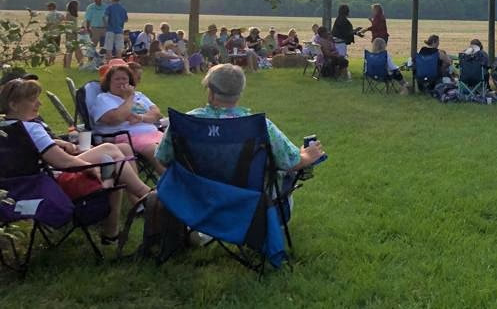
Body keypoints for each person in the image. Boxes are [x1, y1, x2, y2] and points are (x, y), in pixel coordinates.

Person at [0, 78, 153, 244]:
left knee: (114, 159)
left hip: (17, 190)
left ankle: (114, 232)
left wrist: (57, 143)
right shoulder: (30, 128)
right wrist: (89, 167)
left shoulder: (5, 129)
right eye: (32, 100)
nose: (39, 104)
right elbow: (64, 163)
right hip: (50, 185)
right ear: (14, 105)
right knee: (110, 154)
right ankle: (148, 197)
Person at [154, 64, 325, 189]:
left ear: (211, 91)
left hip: (195, 200)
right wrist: (307, 156)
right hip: (246, 203)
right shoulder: (259, 126)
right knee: (283, 176)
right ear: (240, 93)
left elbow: (163, 158)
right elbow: (289, 162)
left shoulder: (187, 122)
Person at [91, 60, 165, 174]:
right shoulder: (104, 98)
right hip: (127, 137)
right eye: (117, 79)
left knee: (177, 148)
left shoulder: (139, 95)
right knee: (158, 152)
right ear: (109, 82)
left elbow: (156, 114)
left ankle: (184, 182)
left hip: (153, 133)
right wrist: (129, 97)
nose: (121, 82)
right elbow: (116, 119)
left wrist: (141, 118)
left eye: (124, 79)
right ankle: (173, 186)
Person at [63, 0, 84, 68]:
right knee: (71, 51)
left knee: (77, 50)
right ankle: (68, 66)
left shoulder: (71, 14)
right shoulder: (69, 14)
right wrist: (78, 30)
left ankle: (80, 65)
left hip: (73, 34)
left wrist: (79, 29)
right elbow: (69, 26)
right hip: (71, 35)